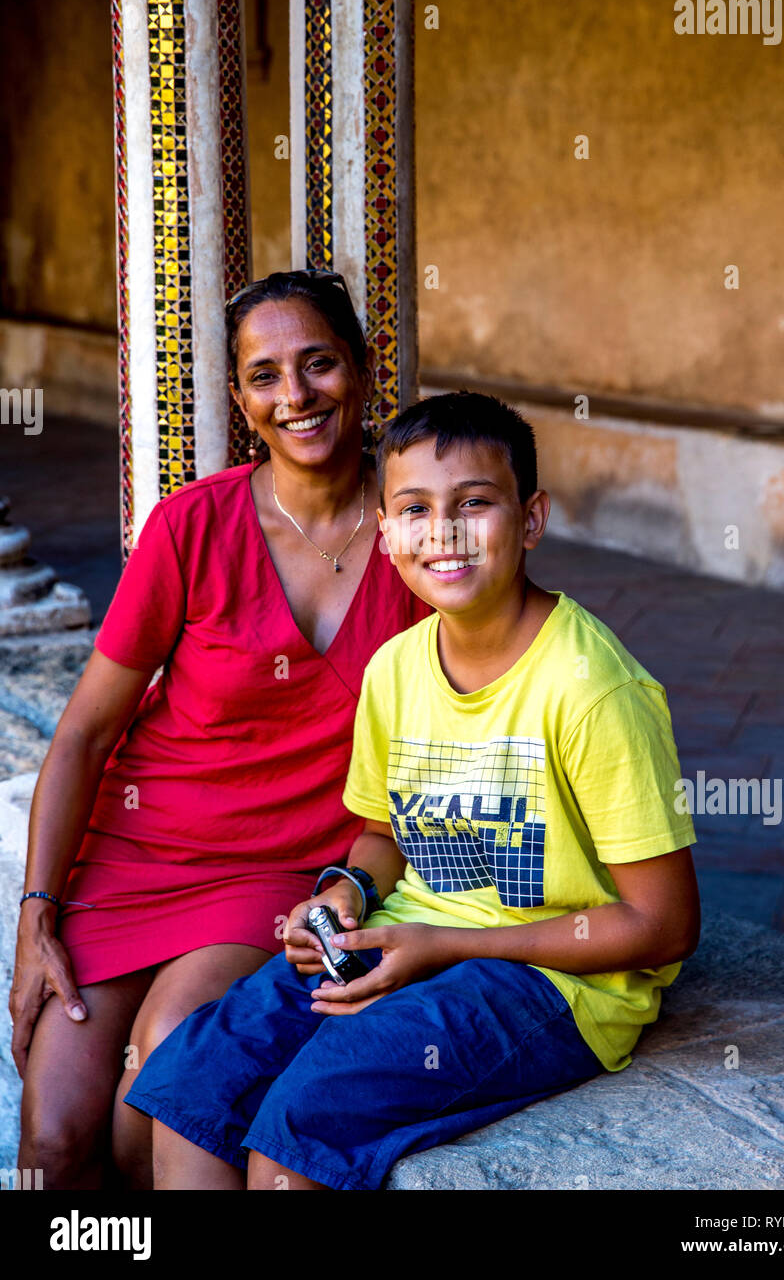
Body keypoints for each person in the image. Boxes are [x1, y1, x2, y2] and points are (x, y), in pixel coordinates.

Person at [124, 391, 701, 1192]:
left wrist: (448, 946)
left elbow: (665, 924)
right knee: (192, 1080)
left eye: (475, 503)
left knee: (302, 1118)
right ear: (386, 532)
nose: (445, 532)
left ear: (530, 520)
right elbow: (382, 837)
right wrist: (344, 895)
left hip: (552, 981)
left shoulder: (590, 688)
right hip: (405, 940)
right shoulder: (395, 669)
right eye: (415, 509)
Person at [10, 270, 429, 1189]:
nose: (296, 395)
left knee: (157, 1081)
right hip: (136, 852)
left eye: (319, 364)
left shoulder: (417, 540)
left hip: (285, 864)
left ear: (362, 372)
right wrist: (36, 913)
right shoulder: (191, 525)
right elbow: (82, 734)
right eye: (266, 375)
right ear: (241, 400)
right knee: (50, 1139)